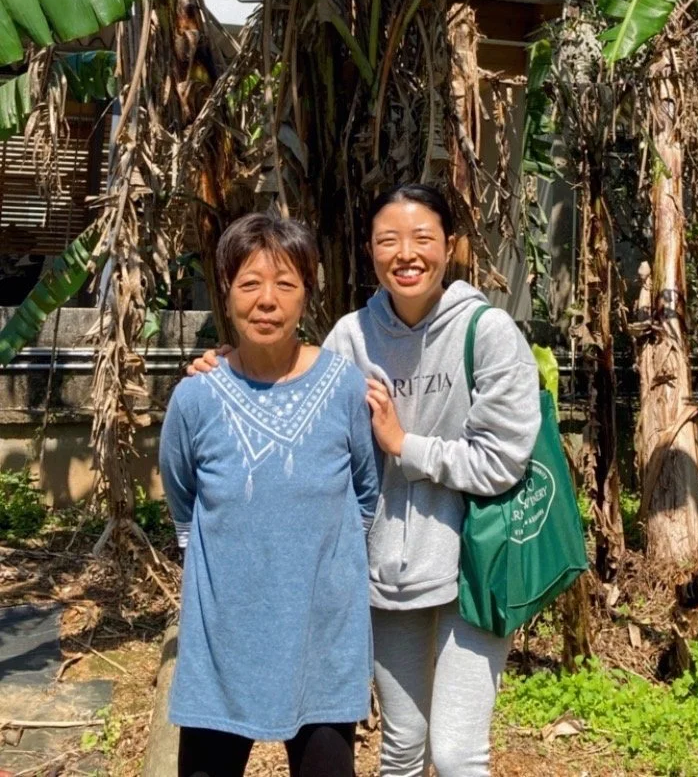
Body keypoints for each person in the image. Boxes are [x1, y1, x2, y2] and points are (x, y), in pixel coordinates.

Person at [189, 184, 541, 777]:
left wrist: (406, 446)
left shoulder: (489, 331)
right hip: (388, 571)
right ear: (370, 252)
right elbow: (301, 403)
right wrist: (231, 365)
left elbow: (503, 460)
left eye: (423, 238)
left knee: (456, 754)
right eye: (388, 241)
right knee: (401, 746)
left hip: (478, 561)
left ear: (450, 247)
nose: (407, 254)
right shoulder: (351, 337)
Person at [161, 212, 379, 777]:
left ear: (307, 295)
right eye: (250, 283)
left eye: (285, 284)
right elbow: (184, 501)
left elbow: (365, 494)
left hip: (323, 640)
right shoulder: (196, 398)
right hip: (222, 646)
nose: (267, 301)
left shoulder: (343, 388)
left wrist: (313, 563)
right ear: (225, 292)